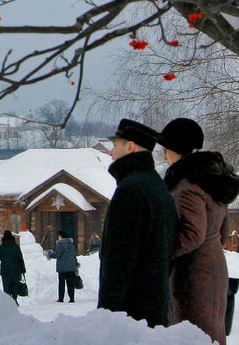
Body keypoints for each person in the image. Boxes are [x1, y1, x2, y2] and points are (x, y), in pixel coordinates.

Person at [158, 117, 239, 345]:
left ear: (177, 149)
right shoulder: (212, 182)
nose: (164, 154)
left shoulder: (187, 187)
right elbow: (223, 235)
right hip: (215, 267)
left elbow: (192, 233)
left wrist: (163, 255)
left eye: (165, 148)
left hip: (193, 274)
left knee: (193, 336)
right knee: (213, 333)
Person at [97, 118, 177, 328]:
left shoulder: (130, 190)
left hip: (129, 315)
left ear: (130, 146)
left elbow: (119, 260)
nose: (111, 153)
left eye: (115, 145)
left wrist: (107, 316)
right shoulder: (159, 187)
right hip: (155, 308)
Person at [0, 230, 26, 305]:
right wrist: (23, 269)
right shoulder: (16, 247)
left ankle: (8, 303)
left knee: (6, 287)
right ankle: (14, 299)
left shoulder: (2, 247)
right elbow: (20, 258)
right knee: (15, 286)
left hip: (5, 271)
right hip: (16, 271)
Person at [49, 230, 79, 303]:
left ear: (61, 236)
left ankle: (61, 298)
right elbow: (74, 255)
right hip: (71, 267)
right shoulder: (71, 244)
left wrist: (49, 254)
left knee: (61, 284)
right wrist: (76, 263)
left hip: (62, 267)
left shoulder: (60, 244)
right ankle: (72, 298)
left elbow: (57, 255)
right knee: (70, 284)